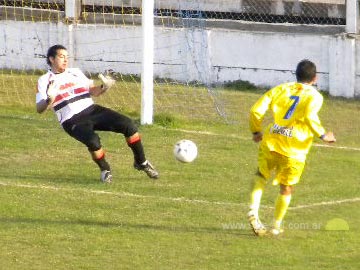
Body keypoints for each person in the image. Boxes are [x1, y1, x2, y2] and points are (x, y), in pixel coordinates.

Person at [36, 44, 159, 183]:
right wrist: (49, 99)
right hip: (72, 120)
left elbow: (93, 91)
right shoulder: (44, 80)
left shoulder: (75, 72)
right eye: (61, 56)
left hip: (92, 110)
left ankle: (141, 162)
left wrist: (104, 86)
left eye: (66, 57)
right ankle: (105, 169)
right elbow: (39, 109)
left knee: (129, 125)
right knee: (93, 142)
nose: (65, 60)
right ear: (51, 59)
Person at [247, 59, 335, 236]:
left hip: (272, 141)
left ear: (296, 75)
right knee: (286, 188)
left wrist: (256, 131)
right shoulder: (315, 96)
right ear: (315, 78)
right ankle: (276, 226)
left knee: (261, 176)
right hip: (294, 150)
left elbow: (256, 110)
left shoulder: (282, 88)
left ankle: (253, 211)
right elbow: (310, 116)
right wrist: (323, 135)